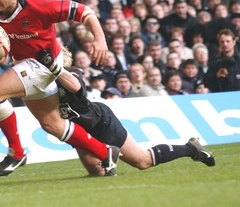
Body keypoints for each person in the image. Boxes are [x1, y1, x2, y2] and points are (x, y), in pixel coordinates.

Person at [0, 0, 117, 177]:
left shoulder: (39, 3)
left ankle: (16, 153)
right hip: (23, 64)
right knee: (52, 125)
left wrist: (99, 38)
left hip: (45, 62)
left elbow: (84, 11)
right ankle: (105, 152)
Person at [36, 48, 215, 176]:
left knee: (142, 161)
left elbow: (75, 86)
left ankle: (191, 149)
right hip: (79, 131)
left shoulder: (71, 72)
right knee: (97, 173)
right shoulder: (40, 83)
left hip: (99, 123)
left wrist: (54, 67)